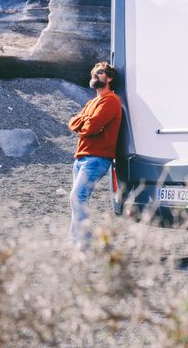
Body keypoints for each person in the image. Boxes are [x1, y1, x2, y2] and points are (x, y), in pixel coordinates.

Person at [67, 61, 123, 246]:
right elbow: (72, 123)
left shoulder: (111, 101)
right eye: (93, 73)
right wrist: (85, 120)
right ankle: (75, 242)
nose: (94, 75)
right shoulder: (92, 102)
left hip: (96, 159)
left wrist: (84, 122)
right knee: (78, 200)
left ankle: (85, 244)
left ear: (109, 78)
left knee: (77, 197)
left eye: (99, 73)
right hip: (81, 158)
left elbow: (91, 127)